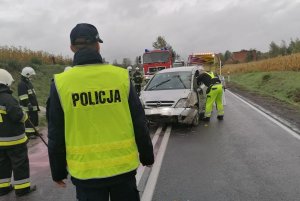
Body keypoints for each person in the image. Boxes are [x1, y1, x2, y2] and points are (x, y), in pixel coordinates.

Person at [47, 23, 154, 201]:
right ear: (98, 45)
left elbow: (55, 132)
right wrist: (147, 156)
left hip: (85, 174)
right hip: (123, 170)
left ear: (72, 48)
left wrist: (57, 171)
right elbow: (139, 121)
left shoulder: (60, 84)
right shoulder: (121, 77)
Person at [0, 69, 36, 197]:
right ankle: (22, 189)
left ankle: (3, 188)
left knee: (2, 164)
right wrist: (25, 115)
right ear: (6, 82)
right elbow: (18, 116)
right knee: (20, 164)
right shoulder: (7, 98)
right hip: (14, 140)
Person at [18, 67, 40, 139]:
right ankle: (29, 134)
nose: (32, 77)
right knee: (29, 120)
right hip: (28, 107)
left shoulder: (28, 83)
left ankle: (35, 132)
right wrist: (28, 104)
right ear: (27, 75)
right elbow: (23, 96)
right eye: (31, 75)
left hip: (33, 105)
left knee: (35, 118)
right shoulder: (22, 84)